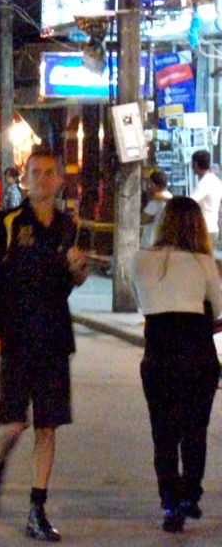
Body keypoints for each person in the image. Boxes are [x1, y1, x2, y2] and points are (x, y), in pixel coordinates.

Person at [0, 150, 88, 542]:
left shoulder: (70, 227)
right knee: (14, 424)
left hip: (55, 338)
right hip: (16, 339)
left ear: (60, 181)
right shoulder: (7, 223)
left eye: (49, 173)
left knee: (48, 425)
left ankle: (37, 508)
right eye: (35, 173)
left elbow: (77, 279)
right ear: (25, 179)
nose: (42, 179)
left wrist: (78, 267)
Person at [130, 196, 222, 532]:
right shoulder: (203, 262)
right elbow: (217, 306)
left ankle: (170, 503)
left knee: (164, 433)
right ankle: (190, 495)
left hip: (159, 353)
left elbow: (143, 303)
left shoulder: (140, 260)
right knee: (195, 431)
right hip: (198, 353)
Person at [189, 150, 221, 252]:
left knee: (198, 263)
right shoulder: (215, 180)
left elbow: (190, 202)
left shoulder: (205, 182)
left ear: (195, 164)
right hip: (212, 228)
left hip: (204, 229)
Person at [140, 169, 172, 249]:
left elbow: (144, 219)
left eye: (150, 183)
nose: (149, 186)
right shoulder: (169, 195)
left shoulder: (156, 201)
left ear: (156, 185)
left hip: (151, 240)